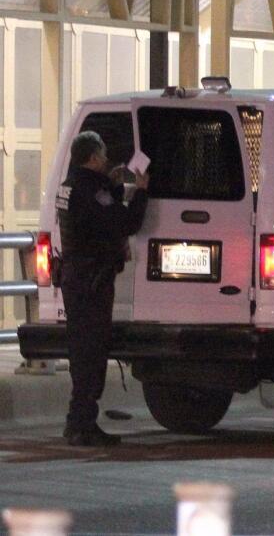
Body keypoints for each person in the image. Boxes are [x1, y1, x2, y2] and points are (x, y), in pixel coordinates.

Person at [57, 131, 149, 446]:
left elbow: (98, 210)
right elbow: (124, 222)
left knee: (83, 351)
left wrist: (110, 183)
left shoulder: (71, 185)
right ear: (94, 157)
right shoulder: (90, 191)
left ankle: (79, 421)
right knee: (90, 354)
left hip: (77, 279)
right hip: (91, 282)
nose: (107, 158)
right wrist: (142, 192)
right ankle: (81, 423)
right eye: (104, 154)